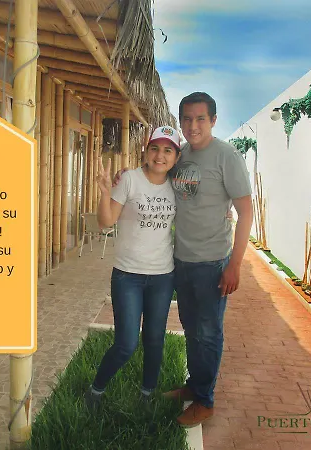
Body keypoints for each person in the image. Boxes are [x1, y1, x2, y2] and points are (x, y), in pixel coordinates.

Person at [113, 92, 253, 427]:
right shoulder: (181, 154)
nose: (193, 126)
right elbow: (155, 173)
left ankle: (205, 400)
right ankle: (194, 385)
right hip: (181, 261)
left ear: (213, 120)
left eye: (200, 118)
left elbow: (246, 212)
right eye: (187, 119)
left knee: (208, 332)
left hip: (212, 263)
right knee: (191, 329)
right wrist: (125, 176)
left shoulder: (227, 156)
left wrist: (235, 264)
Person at [85, 125, 181, 410]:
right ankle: (96, 390)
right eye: (155, 148)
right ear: (145, 150)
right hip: (128, 275)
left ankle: (147, 395)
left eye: (168, 150)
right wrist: (105, 192)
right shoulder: (129, 179)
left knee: (154, 339)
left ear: (176, 157)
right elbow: (106, 222)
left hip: (163, 276)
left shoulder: (178, 186)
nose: (160, 156)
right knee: (126, 343)